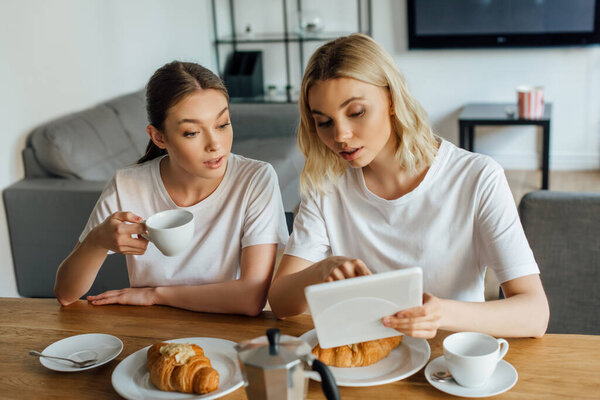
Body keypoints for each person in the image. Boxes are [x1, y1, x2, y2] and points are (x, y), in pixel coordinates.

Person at [268, 34, 549, 338]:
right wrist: (320, 271)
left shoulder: (477, 178)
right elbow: (280, 302)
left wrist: (441, 313)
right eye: (324, 122)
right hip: (371, 359)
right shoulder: (326, 187)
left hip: (450, 359)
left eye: (356, 112)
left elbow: (535, 314)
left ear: (391, 99)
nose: (341, 135)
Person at [55, 61, 289, 315]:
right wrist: (96, 242)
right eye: (191, 132)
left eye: (222, 124)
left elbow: (251, 298)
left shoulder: (255, 179)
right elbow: (66, 294)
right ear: (159, 137)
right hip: (152, 328)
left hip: (227, 325)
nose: (215, 144)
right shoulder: (127, 185)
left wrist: (155, 295)